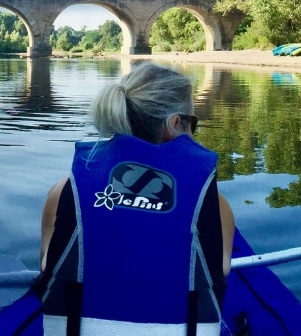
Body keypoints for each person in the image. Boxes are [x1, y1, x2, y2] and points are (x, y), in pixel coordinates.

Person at [34, 62, 235, 336]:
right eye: (193, 123)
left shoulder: (62, 193)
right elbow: (219, 271)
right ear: (175, 124)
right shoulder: (213, 204)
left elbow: (47, 266)